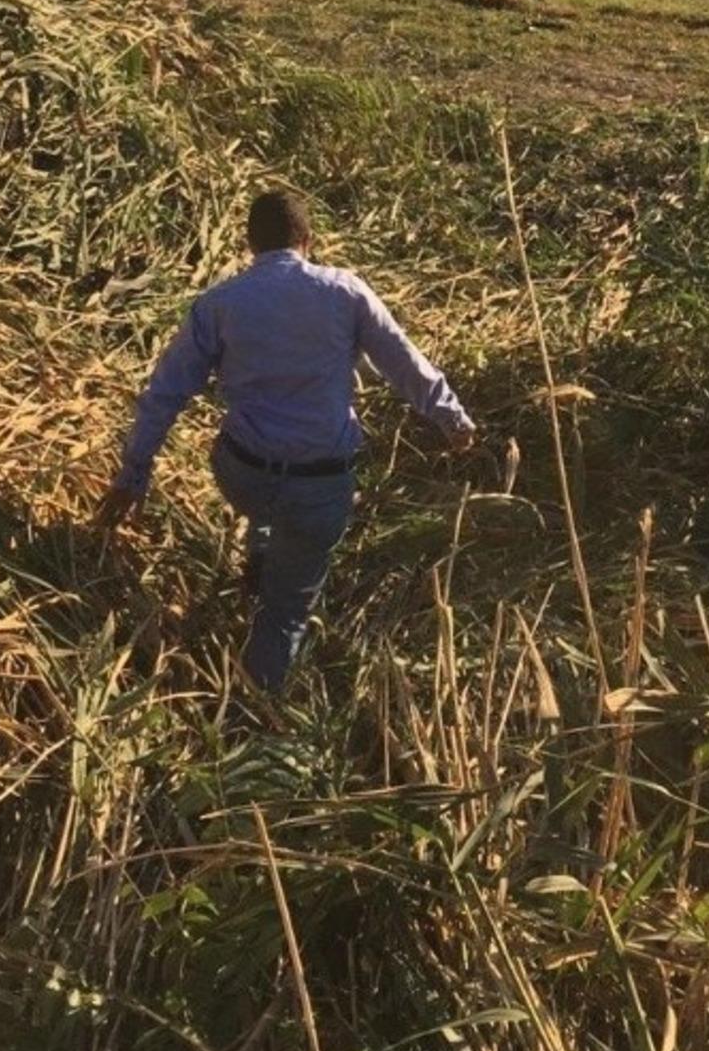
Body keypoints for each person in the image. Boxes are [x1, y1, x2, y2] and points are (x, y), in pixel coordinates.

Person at [97, 188, 475, 693]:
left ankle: (259, 559)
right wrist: (453, 419)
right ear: (308, 240)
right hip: (318, 488)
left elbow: (164, 393)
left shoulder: (219, 304)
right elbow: (403, 361)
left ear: (250, 244)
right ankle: (254, 712)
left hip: (242, 473)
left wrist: (133, 475)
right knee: (286, 615)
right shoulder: (345, 292)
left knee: (267, 502)